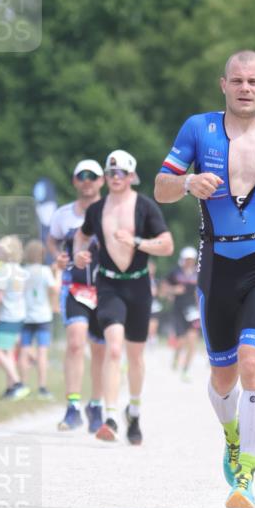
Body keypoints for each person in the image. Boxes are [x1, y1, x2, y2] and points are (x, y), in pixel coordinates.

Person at [155, 50, 255, 508]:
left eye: (254, 81)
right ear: (223, 84)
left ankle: (246, 475)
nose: (246, 88)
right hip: (215, 264)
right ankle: (231, 436)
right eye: (237, 80)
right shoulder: (197, 129)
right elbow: (160, 187)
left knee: (252, 361)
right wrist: (186, 184)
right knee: (222, 378)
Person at [75, 149, 174, 444]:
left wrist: (137, 241)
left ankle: (134, 410)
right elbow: (82, 235)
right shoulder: (96, 209)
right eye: (110, 173)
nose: (115, 178)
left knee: (135, 355)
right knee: (113, 349)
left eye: (121, 173)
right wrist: (79, 254)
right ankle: (109, 416)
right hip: (108, 285)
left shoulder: (145, 207)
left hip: (139, 285)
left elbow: (167, 245)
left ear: (131, 176)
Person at [48, 159, 106, 433]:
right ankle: (72, 407)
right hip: (74, 285)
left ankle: (95, 405)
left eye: (92, 176)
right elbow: (53, 239)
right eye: (81, 176)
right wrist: (58, 257)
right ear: (74, 181)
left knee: (100, 349)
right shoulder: (63, 215)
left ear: (101, 181)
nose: (87, 180)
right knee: (74, 343)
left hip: (106, 287)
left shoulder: (112, 210)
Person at [0, 235, 29, 400]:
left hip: (7, 315)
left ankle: (18, 382)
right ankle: (10, 388)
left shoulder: (3, 271)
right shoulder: (21, 270)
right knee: (9, 351)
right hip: (20, 314)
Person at [19, 239, 58, 398]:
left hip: (26, 315)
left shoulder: (22, 272)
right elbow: (54, 288)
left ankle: (22, 384)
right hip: (43, 316)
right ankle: (42, 386)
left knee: (24, 350)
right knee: (42, 351)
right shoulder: (45, 271)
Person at [162, 245, 200, 380]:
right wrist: (173, 290)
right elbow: (163, 288)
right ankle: (176, 358)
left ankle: (185, 370)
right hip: (178, 310)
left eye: (191, 259)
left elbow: (201, 291)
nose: (189, 261)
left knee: (192, 341)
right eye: (187, 259)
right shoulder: (175, 272)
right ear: (183, 259)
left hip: (193, 311)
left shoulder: (198, 273)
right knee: (181, 341)